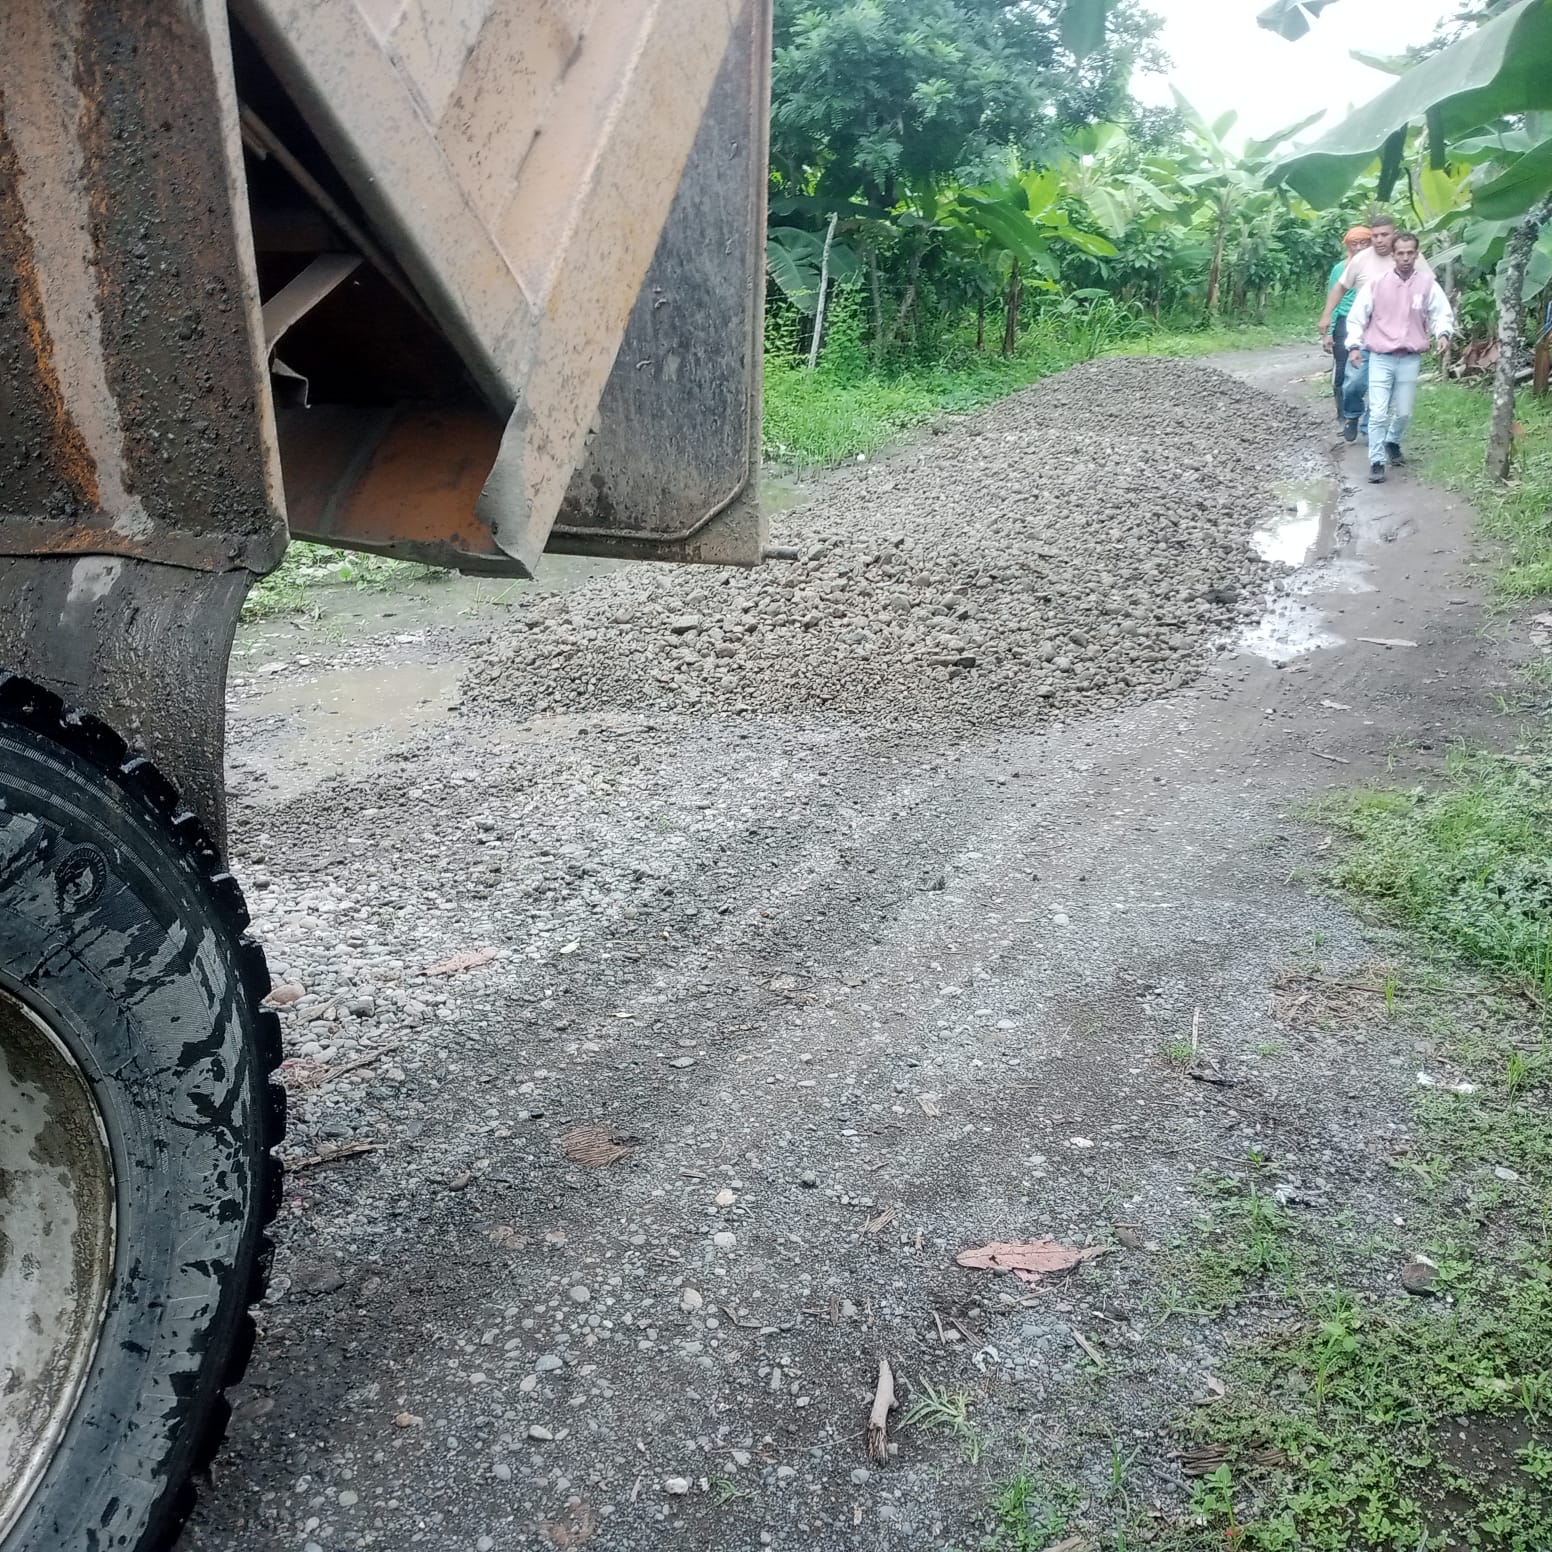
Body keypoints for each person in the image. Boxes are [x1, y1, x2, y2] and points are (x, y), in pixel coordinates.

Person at [1345, 232, 1453, 484]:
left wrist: (1443, 333)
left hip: (1409, 357)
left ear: (1416, 254)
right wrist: (1354, 346)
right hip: (1380, 356)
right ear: (1393, 255)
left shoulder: (1427, 284)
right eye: (1400, 253)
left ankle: (1392, 441)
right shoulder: (1377, 284)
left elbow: (1441, 312)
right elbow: (1357, 316)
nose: (1405, 258)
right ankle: (1376, 461)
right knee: (1378, 412)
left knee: (1404, 412)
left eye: (1410, 253)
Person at [1318, 213, 1433, 441]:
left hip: (1396, 336)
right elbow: (1340, 287)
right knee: (1354, 381)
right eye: (1375, 235)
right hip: (1364, 331)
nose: (1379, 240)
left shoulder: (1409, 258)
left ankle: (1370, 426)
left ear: (1394, 234)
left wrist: (1429, 321)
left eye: (1384, 235)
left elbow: (1429, 288)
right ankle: (1352, 415)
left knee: (1384, 386)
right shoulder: (1361, 260)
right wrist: (1327, 315)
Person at [1324, 225, 1370, 422]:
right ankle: (1344, 415)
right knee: (1342, 368)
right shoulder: (1340, 269)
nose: (1358, 247)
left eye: (1363, 243)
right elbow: (1334, 299)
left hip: (1371, 321)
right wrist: (1329, 331)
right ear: (1347, 246)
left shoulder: (1378, 267)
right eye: (1354, 243)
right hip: (1344, 322)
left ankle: (1367, 416)